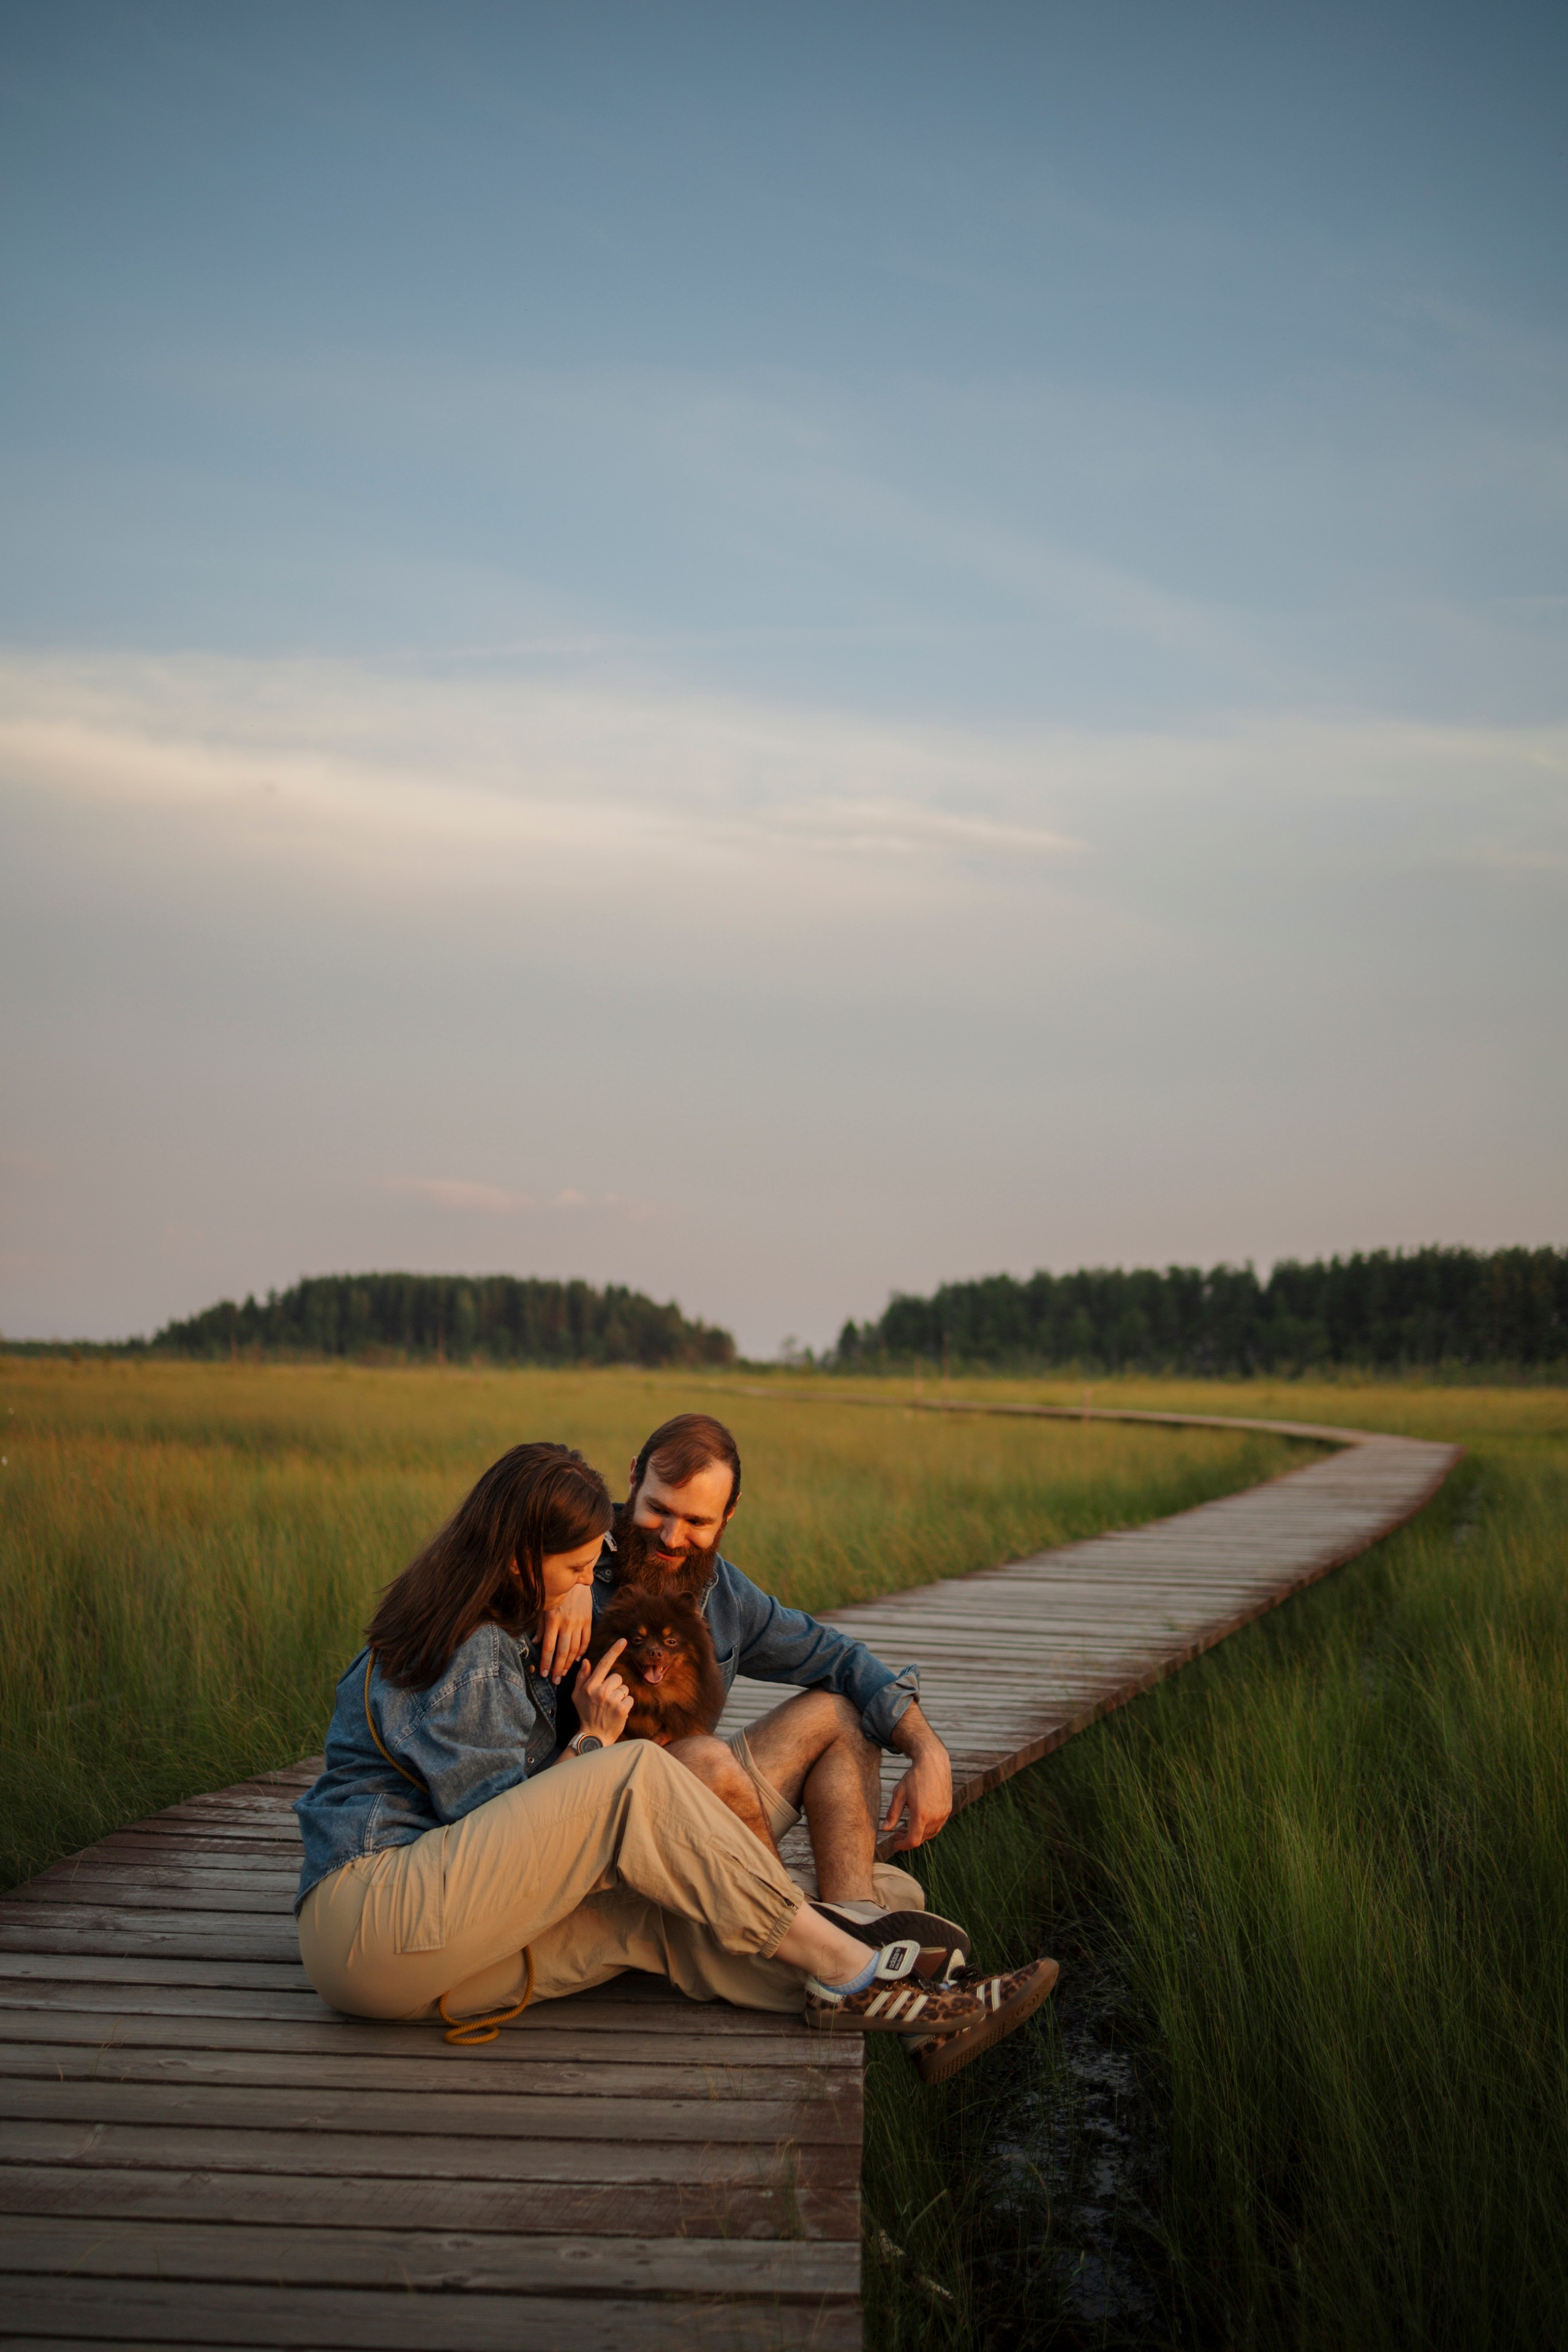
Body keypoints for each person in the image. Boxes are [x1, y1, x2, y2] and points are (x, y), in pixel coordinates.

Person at [293, 1440, 1057, 2081]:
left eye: (593, 1568)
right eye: (577, 1571)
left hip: (429, 1956)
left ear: (726, 1518)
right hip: (378, 1916)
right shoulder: (480, 1649)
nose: (586, 1586)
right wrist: (592, 1743)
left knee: (665, 1927)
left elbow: (507, 1854)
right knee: (639, 1770)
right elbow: (488, 1827)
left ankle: (918, 2007)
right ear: (525, 1561)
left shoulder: (505, 1612)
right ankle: (853, 1961)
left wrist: (924, 1745)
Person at [549, 1412, 969, 1956]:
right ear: (633, 1478)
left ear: (729, 1514)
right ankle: (815, 1939)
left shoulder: (725, 1594)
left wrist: (928, 1749)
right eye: (659, 1509)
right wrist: (565, 1585)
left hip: (700, 1814)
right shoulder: (563, 1563)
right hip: (599, 1833)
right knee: (702, 1754)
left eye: (697, 1521)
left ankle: (856, 1916)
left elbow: (840, 1657)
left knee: (840, 1711)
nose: (672, 1537)